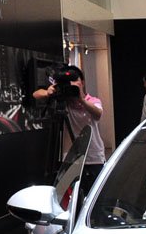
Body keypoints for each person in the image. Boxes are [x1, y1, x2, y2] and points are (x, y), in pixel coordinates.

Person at [33, 65, 105, 196]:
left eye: (75, 80)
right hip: (71, 158)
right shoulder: (65, 103)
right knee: (73, 196)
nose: (72, 84)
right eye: (69, 82)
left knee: (94, 195)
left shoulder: (93, 101)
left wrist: (81, 100)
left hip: (93, 156)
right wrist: (48, 92)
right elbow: (36, 94)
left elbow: (98, 113)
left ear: (82, 82)